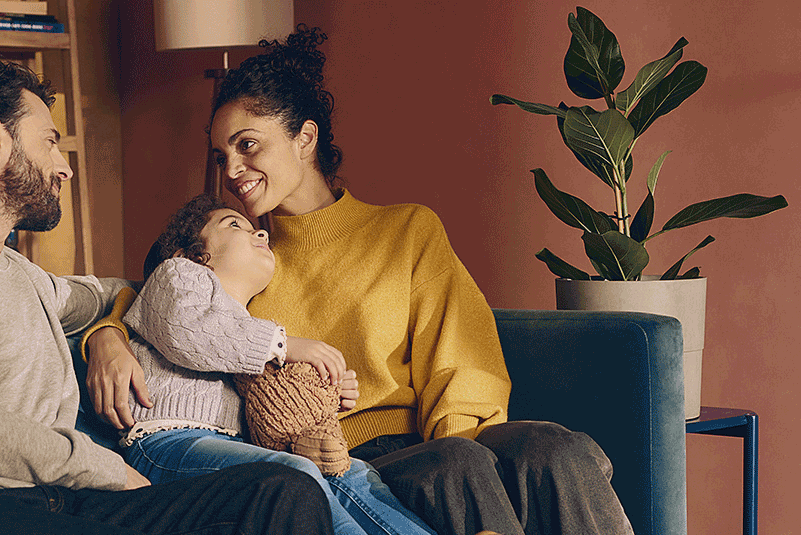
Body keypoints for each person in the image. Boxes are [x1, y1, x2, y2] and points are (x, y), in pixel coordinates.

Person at [86, 26, 635, 535]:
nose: (230, 171)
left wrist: (467, 445)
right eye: (221, 154)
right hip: (343, 459)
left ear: (305, 137)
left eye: (247, 145)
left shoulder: (407, 229)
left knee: (554, 448)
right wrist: (105, 334)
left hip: (440, 439)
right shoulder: (242, 259)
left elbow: (464, 358)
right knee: (458, 462)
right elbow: (164, 296)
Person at [0, 51, 336, 535]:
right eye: (49, 141)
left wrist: (110, 334)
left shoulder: (23, 275)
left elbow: (120, 294)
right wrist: (105, 468)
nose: (62, 166)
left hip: (60, 500)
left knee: (282, 492)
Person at [118, 193, 435, 535]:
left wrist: (322, 393)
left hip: (230, 446)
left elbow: (268, 398)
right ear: (194, 255)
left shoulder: (247, 322)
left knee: (354, 472)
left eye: (256, 229)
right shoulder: (178, 274)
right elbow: (187, 331)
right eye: (235, 225)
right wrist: (284, 344)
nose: (261, 233)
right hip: (165, 442)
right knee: (295, 473)